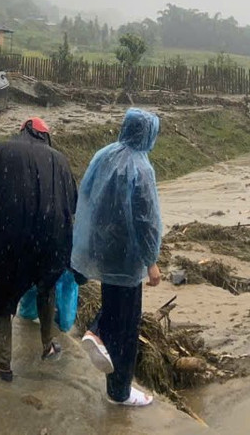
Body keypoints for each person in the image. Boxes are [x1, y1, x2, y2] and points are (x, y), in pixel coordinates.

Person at [0, 118, 78, 382]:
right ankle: (48, 346)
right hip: (47, 239)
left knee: (1, 291)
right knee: (46, 285)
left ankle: (4, 364)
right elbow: (71, 205)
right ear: (44, 136)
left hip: (7, 236)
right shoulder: (60, 161)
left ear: (23, 131)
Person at [72, 108, 163, 407]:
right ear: (147, 134)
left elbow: (86, 196)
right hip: (127, 255)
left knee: (115, 306)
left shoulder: (105, 155)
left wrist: (88, 243)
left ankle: (98, 331)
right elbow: (146, 219)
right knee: (127, 326)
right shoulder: (141, 168)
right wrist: (151, 261)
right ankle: (120, 391)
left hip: (103, 247)